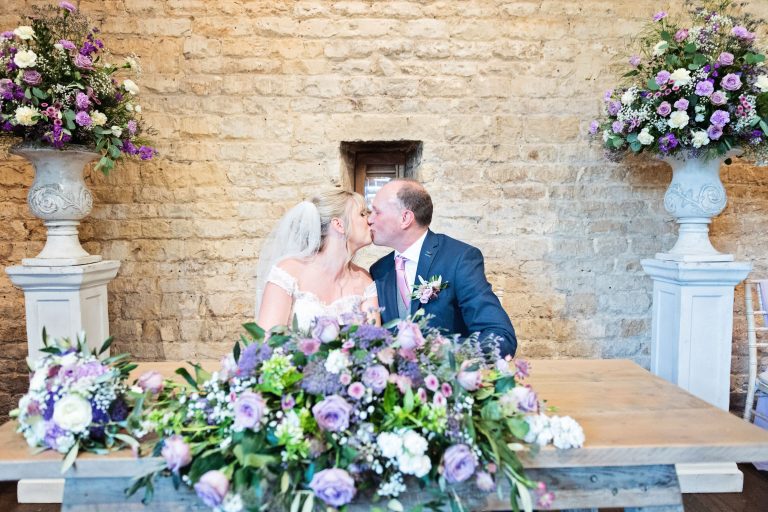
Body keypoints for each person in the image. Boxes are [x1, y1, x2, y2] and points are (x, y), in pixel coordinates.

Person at [368, 179, 517, 357]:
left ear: (405, 218)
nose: (369, 219)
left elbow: (501, 338)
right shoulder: (379, 270)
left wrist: (440, 351)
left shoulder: (459, 259)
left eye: (376, 212)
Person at [256, 189, 380, 331]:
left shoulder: (365, 281)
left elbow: (373, 341)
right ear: (339, 225)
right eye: (362, 214)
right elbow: (267, 342)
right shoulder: (288, 272)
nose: (370, 220)